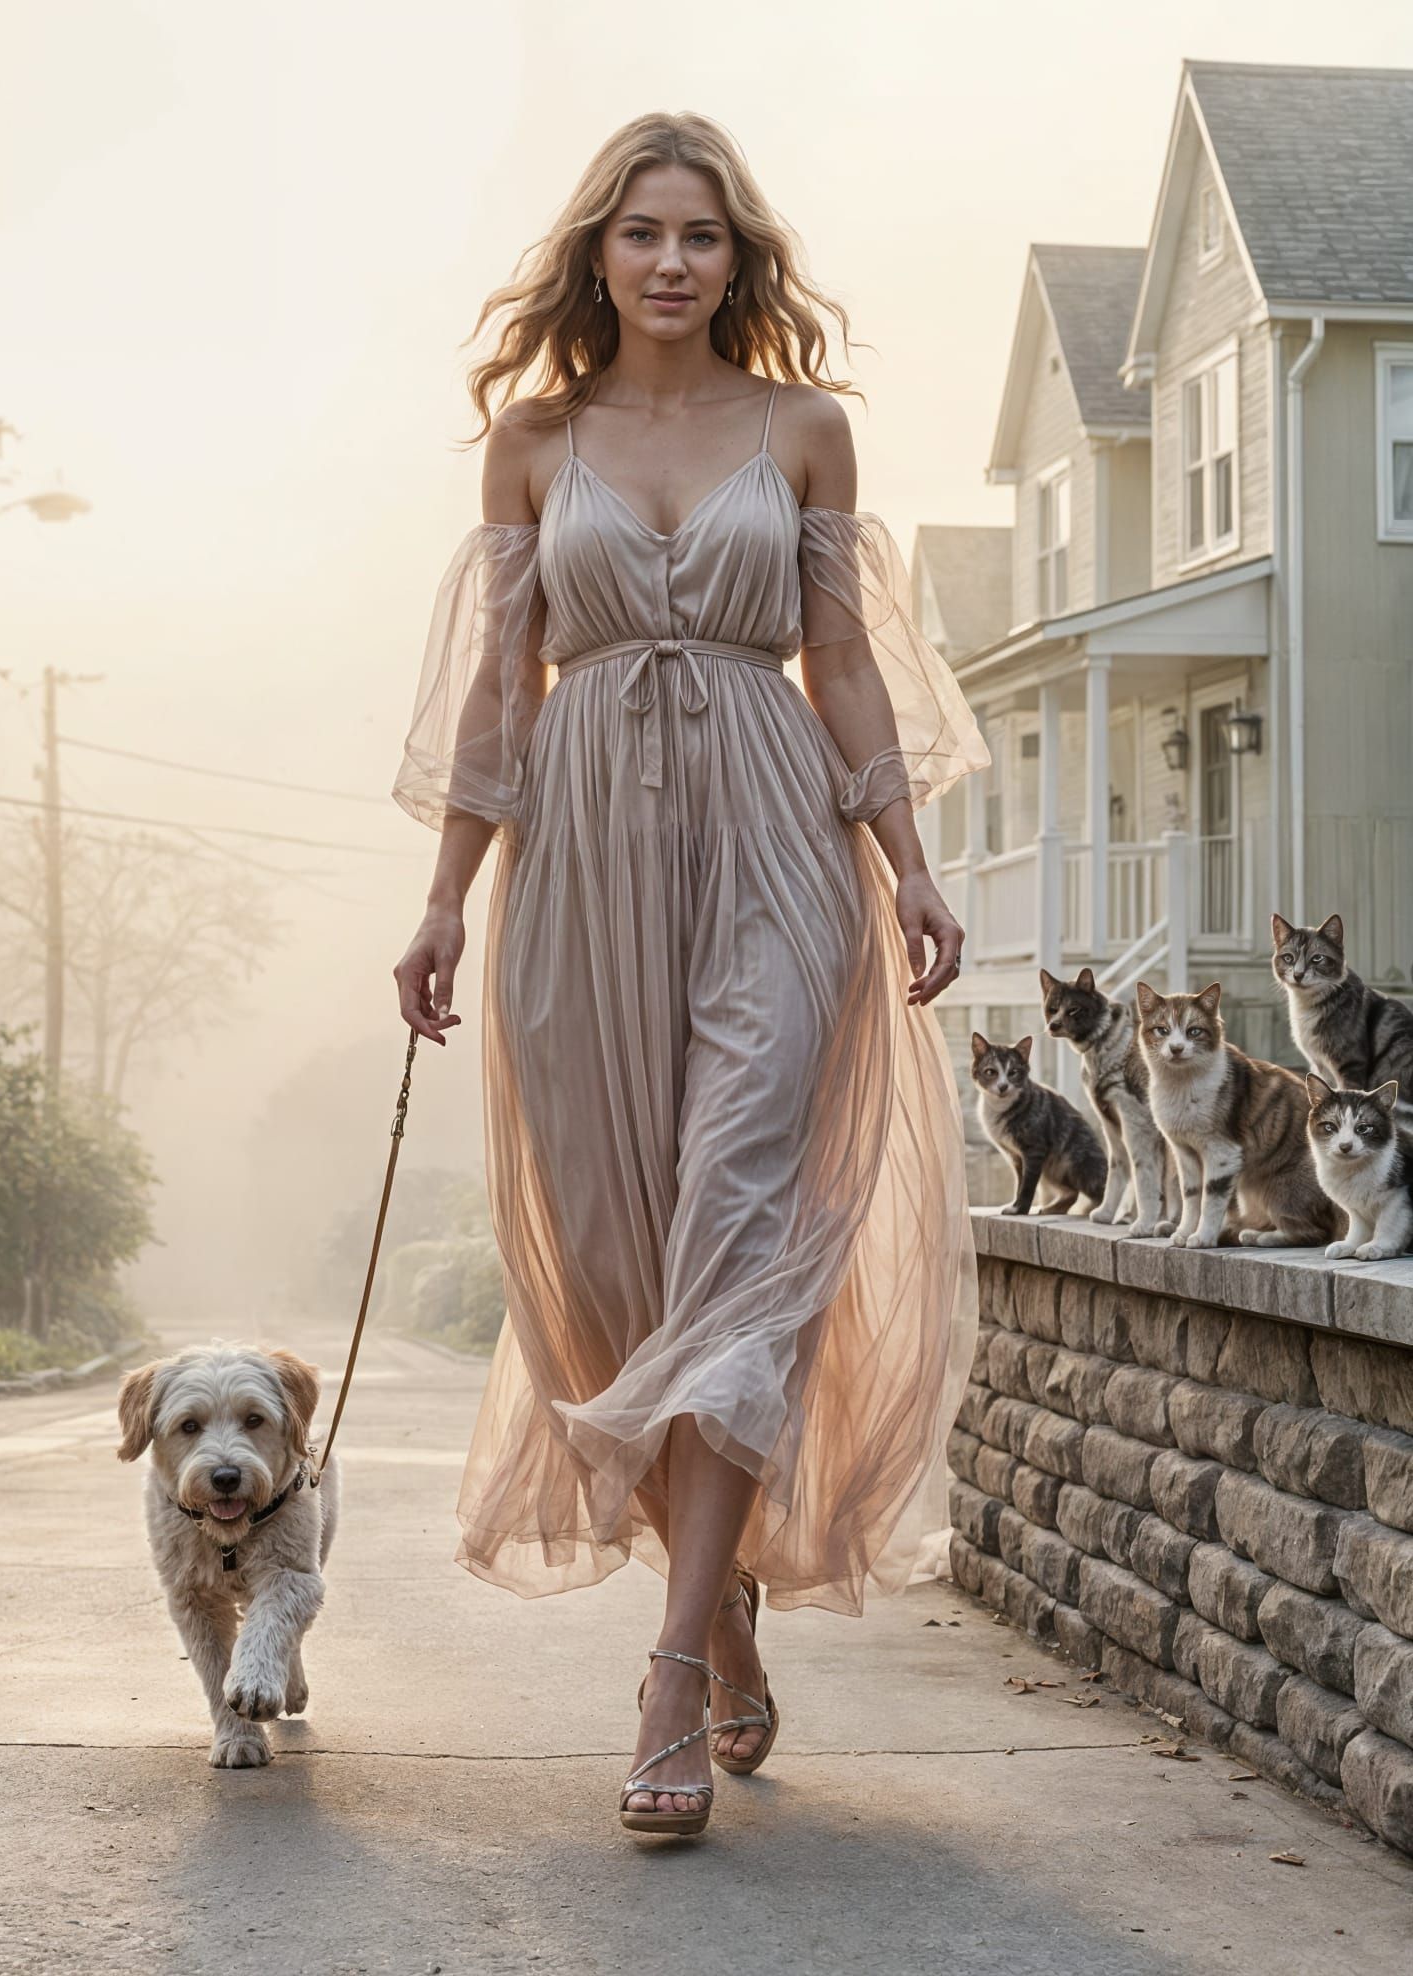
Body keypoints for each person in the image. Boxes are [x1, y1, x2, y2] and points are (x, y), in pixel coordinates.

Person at [391, 110, 989, 1839]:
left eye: (703, 236)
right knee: (615, 1258)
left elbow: (849, 667)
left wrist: (917, 864)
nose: (672, 261)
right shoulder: (531, 443)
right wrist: (442, 903)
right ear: (598, 254)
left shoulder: (804, 430)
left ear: (741, 260)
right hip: (578, 864)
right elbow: (501, 698)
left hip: (775, 848)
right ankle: (717, 1601)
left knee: (739, 1220)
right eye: (643, 233)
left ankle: (662, 1677)